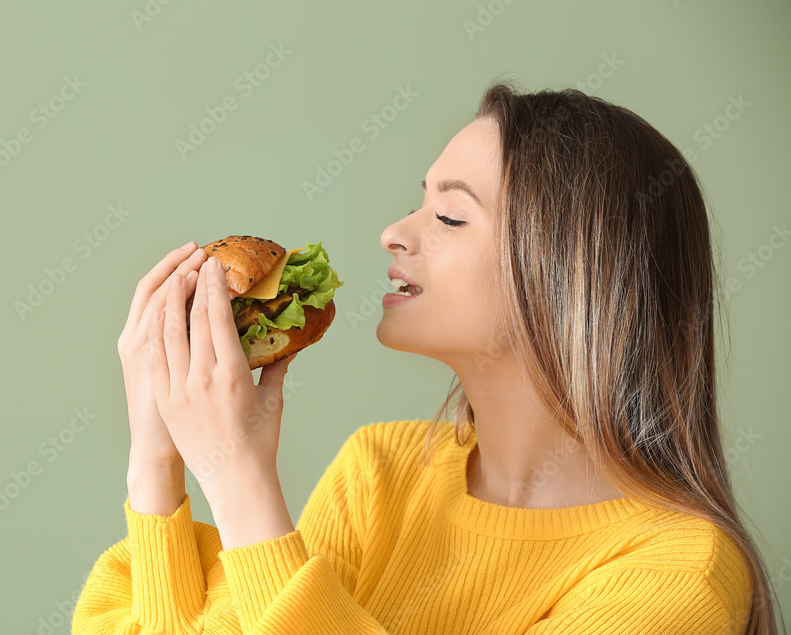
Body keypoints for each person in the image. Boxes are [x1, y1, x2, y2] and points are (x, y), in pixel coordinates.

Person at [71, 80, 783, 634]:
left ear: (570, 274)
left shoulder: (679, 568)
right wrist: (157, 464)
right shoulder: (382, 474)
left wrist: (237, 478)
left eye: (449, 215)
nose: (392, 233)